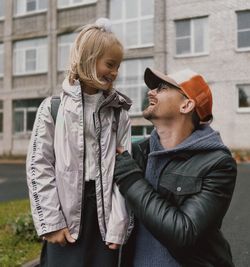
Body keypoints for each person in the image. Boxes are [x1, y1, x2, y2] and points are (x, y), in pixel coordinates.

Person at [26, 18, 133, 267]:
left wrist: (118, 225)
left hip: (104, 218)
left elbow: (123, 174)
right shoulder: (52, 109)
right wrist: (52, 223)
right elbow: (38, 167)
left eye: (118, 66)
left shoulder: (119, 114)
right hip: (64, 213)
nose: (115, 72)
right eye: (110, 64)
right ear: (88, 58)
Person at [114, 68, 237, 267]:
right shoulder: (136, 153)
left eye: (161, 88)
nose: (151, 92)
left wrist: (131, 179)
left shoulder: (217, 164)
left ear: (186, 105)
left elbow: (183, 232)